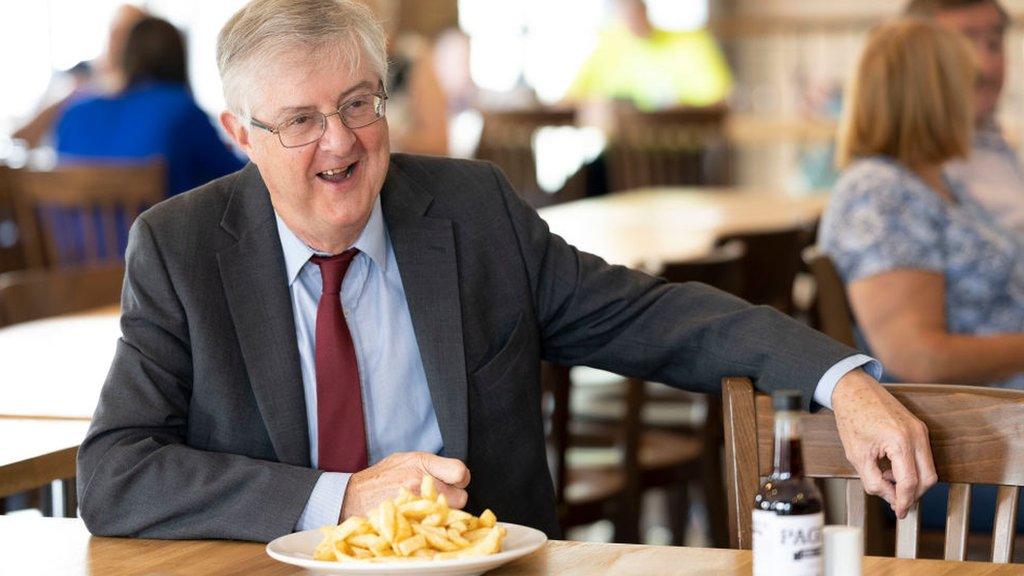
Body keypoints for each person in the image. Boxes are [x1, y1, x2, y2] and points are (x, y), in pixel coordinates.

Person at [76, 0, 935, 543]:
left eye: (357, 105)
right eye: (300, 120)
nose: (339, 142)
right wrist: (341, 497)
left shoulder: (471, 211)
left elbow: (655, 317)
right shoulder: (181, 247)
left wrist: (838, 380)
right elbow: (115, 475)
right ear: (239, 133)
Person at [820, 18, 1024, 389]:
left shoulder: (930, 180)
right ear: (935, 97)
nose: (978, 98)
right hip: (983, 421)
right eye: (968, 83)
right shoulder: (880, 194)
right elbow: (917, 357)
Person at [55, 17, 244, 197]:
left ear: (127, 56)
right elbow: (240, 176)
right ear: (178, 57)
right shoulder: (181, 110)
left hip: (70, 231)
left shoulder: (74, 112)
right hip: (160, 229)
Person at [905, 0, 1024, 236]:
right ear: (916, 61)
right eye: (962, 46)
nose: (985, 66)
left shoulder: (994, 146)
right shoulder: (901, 175)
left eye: (993, 44)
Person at [12, 4, 147, 149]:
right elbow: (21, 138)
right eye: (115, 34)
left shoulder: (150, 92)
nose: (120, 45)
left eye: (128, 36)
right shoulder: (75, 78)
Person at [565, 0, 733, 110]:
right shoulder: (608, 47)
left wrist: (679, 108)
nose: (630, 16)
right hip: (619, 153)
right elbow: (569, 101)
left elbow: (722, 99)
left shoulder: (691, 42)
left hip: (682, 154)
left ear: (645, 8)